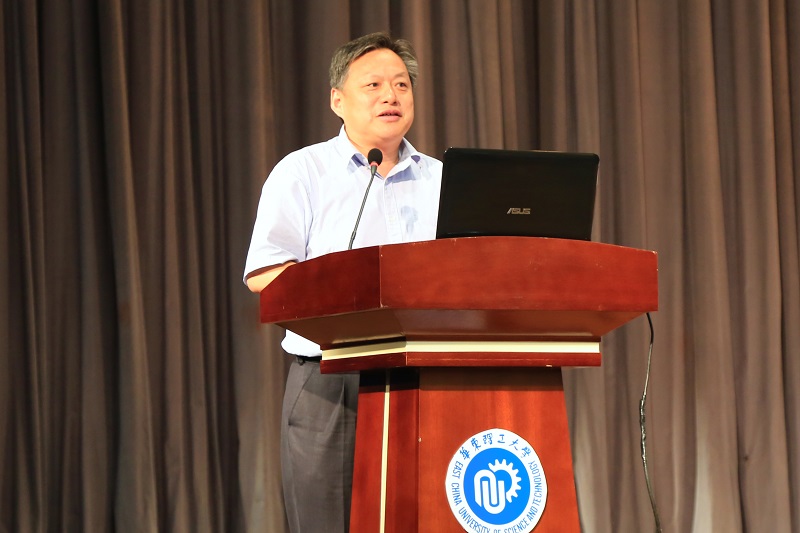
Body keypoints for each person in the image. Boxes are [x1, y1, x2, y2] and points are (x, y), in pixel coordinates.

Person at [243, 32, 442, 533]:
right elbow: (265, 273)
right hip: (331, 379)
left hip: (428, 377)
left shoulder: (442, 179)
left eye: (401, 84)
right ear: (337, 100)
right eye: (373, 84)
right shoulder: (303, 172)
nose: (390, 95)